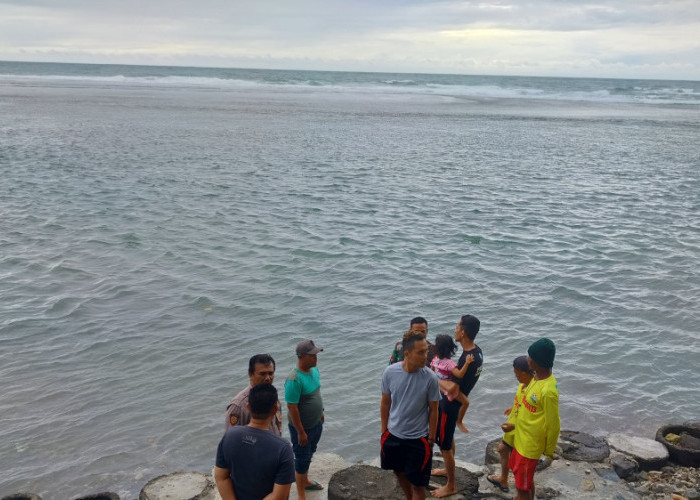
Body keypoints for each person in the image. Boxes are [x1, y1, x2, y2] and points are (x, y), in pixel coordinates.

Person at [381, 330, 441, 500]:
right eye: (421, 352)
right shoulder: (390, 373)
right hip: (393, 435)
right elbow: (385, 402)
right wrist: (384, 431)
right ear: (407, 353)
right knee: (399, 473)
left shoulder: (430, 378)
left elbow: (434, 409)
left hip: (418, 440)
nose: (426, 356)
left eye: (427, 351)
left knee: (419, 485)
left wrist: (431, 438)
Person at [214, 383, 295, 500]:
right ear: (275, 409)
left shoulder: (229, 436)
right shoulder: (282, 448)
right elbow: (279, 496)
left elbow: (221, 477)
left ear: (248, 407)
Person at [432, 314, 483, 498]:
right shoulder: (477, 353)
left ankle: (451, 485)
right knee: (448, 439)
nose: (454, 330)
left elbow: (452, 387)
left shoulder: (465, 360)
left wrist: (433, 378)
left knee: (444, 446)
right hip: (454, 405)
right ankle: (448, 469)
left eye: (456, 327)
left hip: (449, 407)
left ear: (463, 332)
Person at [508, 338, 560, 500]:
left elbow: (554, 424)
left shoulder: (548, 391)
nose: (527, 359)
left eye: (531, 357)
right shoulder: (535, 377)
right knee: (525, 483)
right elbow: (525, 404)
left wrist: (549, 452)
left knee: (521, 488)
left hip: (530, 447)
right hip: (521, 440)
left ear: (539, 362)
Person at [486, 355, 534, 493]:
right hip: (513, 424)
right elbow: (521, 403)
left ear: (524, 373)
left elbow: (531, 417)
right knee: (503, 449)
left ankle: (521, 491)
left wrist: (514, 426)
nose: (515, 376)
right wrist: (513, 408)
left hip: (519, 429)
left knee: (522, 467)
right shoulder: (522, 385)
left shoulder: (532, 392)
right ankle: (504, 480)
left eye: (516, 373)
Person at [285, 339, 325, 499]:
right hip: (302, 428)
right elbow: (292, 407)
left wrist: (320, 412)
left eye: (316, 355)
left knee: (310, 453)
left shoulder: (314, 371)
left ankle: (306, 481)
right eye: (312, 355)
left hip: (315, 424)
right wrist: (300, 432)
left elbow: (316, 393)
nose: (316, 358)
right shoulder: (294, 379)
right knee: (301, 459)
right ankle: (301, 494)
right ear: (301, 356)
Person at [225, 353, 283, 435]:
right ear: (250, 374)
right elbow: (231, 439)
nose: (267, 378)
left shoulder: (273, 397)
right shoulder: (239, 405)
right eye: (262, 374)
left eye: (270, 373)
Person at [430, 334, 474, 434]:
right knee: (466, 402)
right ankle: (459, 422)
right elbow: (459, 375)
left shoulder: (435, 359)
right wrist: (467, 363)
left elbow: (431, 372)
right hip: (450, 390)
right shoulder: (449, 364)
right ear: (450, 348)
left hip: (440, 388)